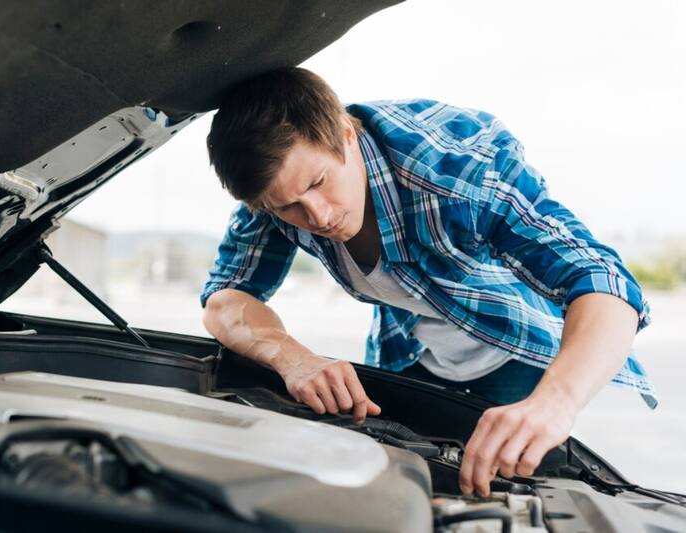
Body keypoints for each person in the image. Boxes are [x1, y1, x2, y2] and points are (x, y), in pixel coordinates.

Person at [199, 67, 656, 497]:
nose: (316, 217)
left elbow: (604, 280)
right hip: (407, 346)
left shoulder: (459, 170)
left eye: (319, 182)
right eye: (288, 208)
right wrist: (293, 359)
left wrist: (556, 402)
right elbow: (225, 297)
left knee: (503, 495)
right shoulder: (278, 189)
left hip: (514, 350)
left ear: (344, 134)